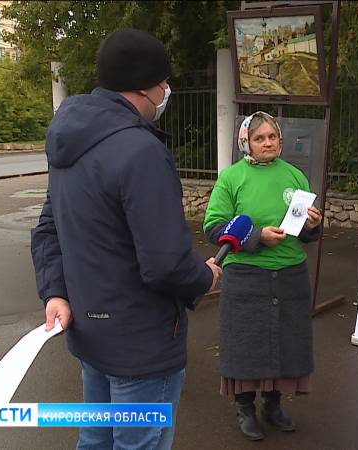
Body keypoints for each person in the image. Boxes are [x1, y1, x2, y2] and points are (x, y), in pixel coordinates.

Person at [31, 28, 221, 450]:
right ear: (144, 86)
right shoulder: (141, 150)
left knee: (95, 439)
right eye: (164, 82)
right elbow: (166, 263)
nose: (167, 90)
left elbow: (48, 229)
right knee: (139, 444)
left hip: (90, 333)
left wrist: (54, 292)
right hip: (142, 343)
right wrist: (203, 278)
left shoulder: (69, 140)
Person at [202, 111, 323, 441]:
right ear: (246, 143)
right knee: (247, 346)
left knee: (284, 345)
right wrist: (257, 236)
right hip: (246, 277)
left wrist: (312, 226)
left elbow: (304, 230)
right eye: (259, 138)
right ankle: (245, 408)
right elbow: (214, 227)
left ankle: (273, 405)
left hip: (290, 275)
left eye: (272, 137)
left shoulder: (295, 176)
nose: (267, 143)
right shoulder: (231, 178)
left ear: (280, 140)